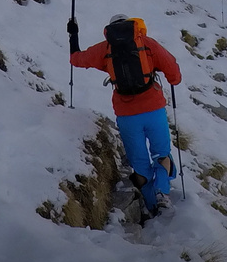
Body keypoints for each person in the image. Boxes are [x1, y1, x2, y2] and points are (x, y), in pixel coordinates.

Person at [68, 13, 183, 215]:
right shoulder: (146, 43)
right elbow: (172, 68)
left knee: (139, 162)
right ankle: (162, 193)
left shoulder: (105, 49)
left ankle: (150, 206)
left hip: (127, 114)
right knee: (161, 153)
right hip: (153, 109)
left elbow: (76, 59)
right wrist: (173, 80)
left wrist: (73, 35)